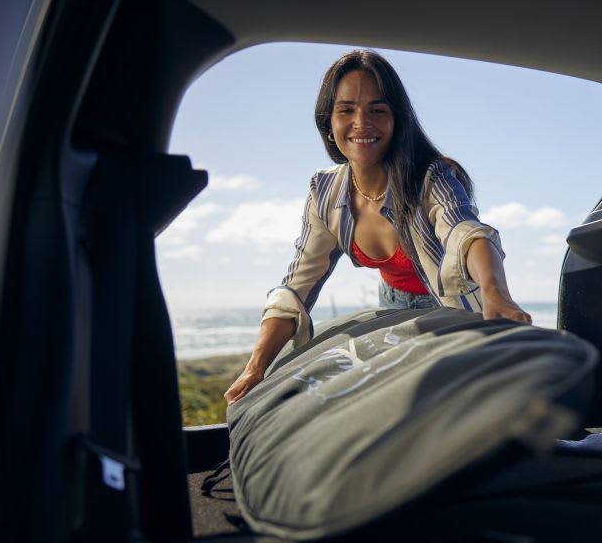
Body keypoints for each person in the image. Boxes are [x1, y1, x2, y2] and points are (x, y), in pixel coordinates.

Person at [225, 50, 530, 405]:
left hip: (454, 308)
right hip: (391, 308)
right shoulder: (324, 192)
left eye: (377, 111)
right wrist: (256, 367)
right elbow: (296, 289)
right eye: (346, 110)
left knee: (462, 403)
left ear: (396, 119)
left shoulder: (432, 177)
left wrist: (495, 293)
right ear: (328, 123)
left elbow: (465, 232)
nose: (361, 123)